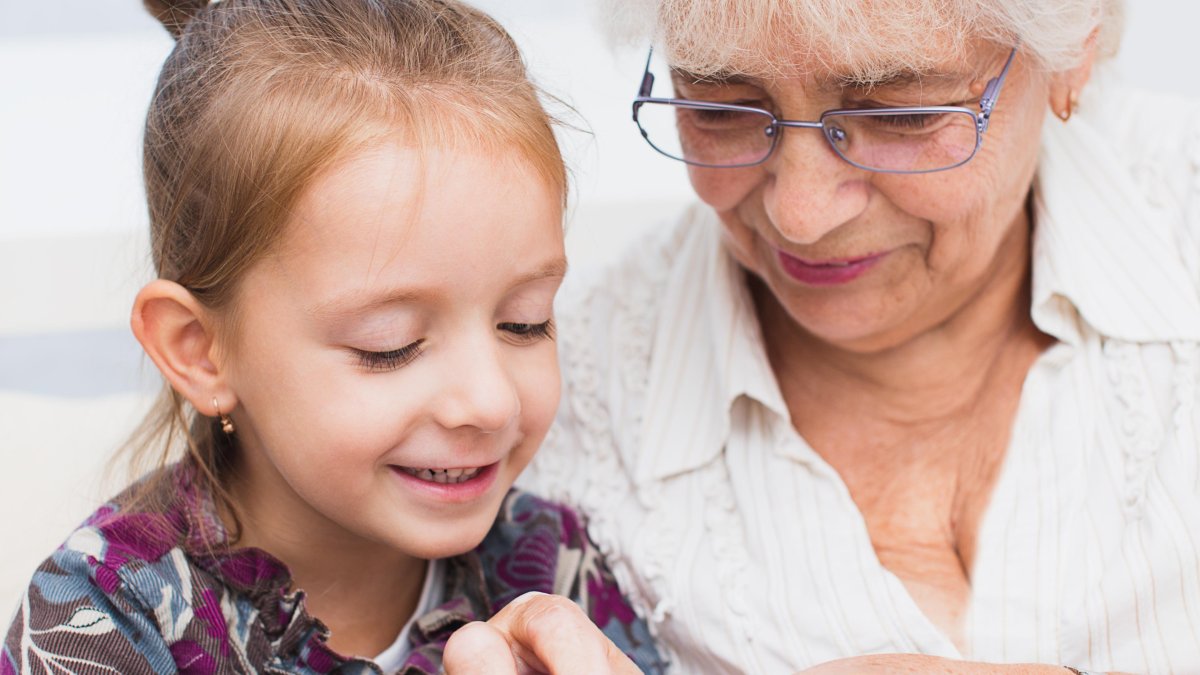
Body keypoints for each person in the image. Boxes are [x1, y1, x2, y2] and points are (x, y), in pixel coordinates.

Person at [506, 0, 1200, 673]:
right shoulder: (551, 411)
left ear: (1077, 47)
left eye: (902, 114)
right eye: (721, 109)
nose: (799, 214)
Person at [1, 1, 665, 673]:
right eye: (391, 343)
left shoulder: (555, 564)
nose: (491, 402)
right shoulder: (101, 616)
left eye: (525, 321)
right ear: (199, 349)